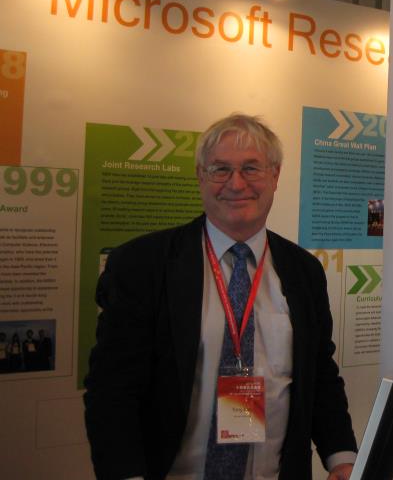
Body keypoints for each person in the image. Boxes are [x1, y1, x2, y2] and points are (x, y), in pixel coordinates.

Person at [84, 113, 356, 480]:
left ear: (275, 175)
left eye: (251, 168)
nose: (236, 183)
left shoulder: (304, 271)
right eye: (220, 169)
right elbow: (112, 389)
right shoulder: (142, 264)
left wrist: (342, 457)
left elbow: (320, 373)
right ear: (200, 176)